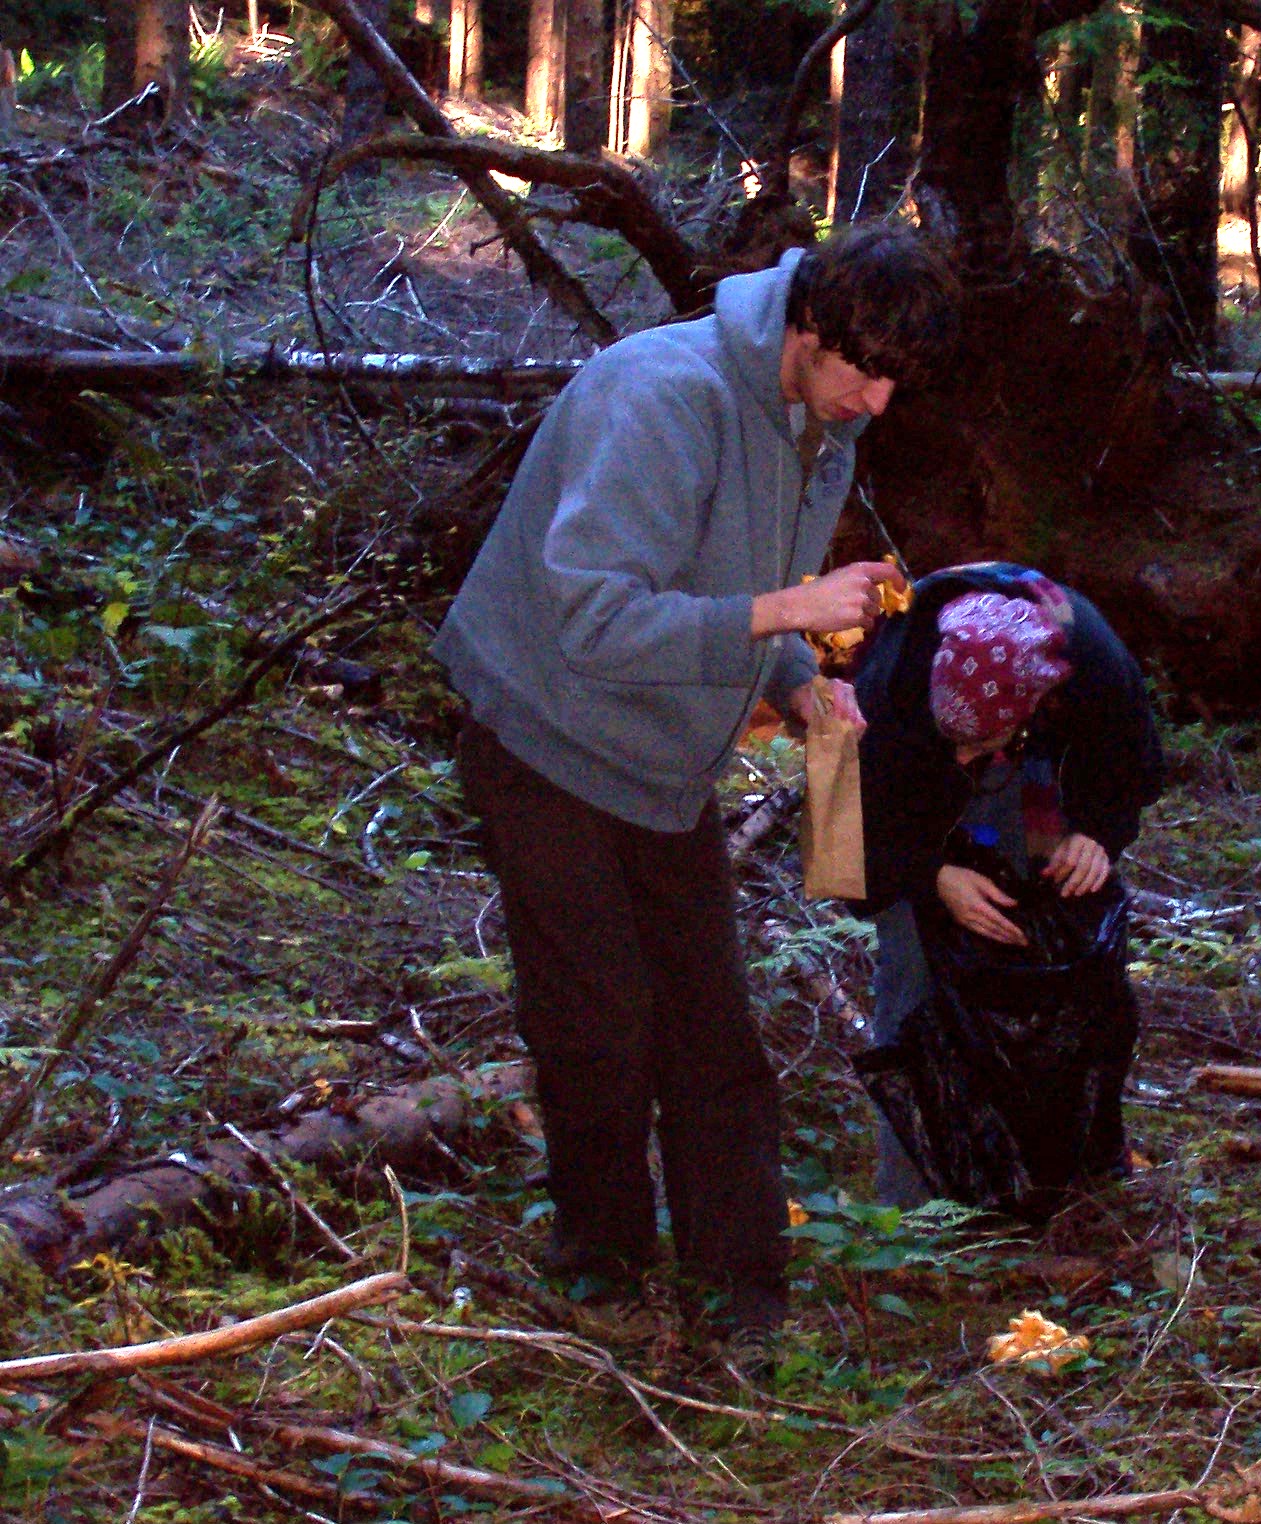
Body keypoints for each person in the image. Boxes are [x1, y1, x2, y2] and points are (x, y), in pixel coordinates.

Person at [432, 224, 959, 1350]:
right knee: (599, 1030)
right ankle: (601, 1280)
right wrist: (789, 615)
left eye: (896, 383)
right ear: (807, 324)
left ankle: (741, 1304)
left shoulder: (819, 424)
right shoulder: (666, 397)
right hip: (545, 736)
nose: (875, 401)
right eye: (863, 370)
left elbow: (732, 587)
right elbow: (595, 618)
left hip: (660, 765)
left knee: (714, 1040)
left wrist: (799, 684)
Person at [850, 563, 1164, 1208]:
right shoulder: (890, 685)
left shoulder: (1094, 667)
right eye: (954, 742)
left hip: (1040, 779)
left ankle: (1058, 1177)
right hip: (911, 793)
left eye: (978, 742)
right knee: (913, 971)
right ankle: (912, 1206)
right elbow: (859, 823)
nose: (964, 759)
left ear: (1040, 704)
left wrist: (1096, 834)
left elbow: (1131, 764)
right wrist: (931, 876)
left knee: (1065, 969)